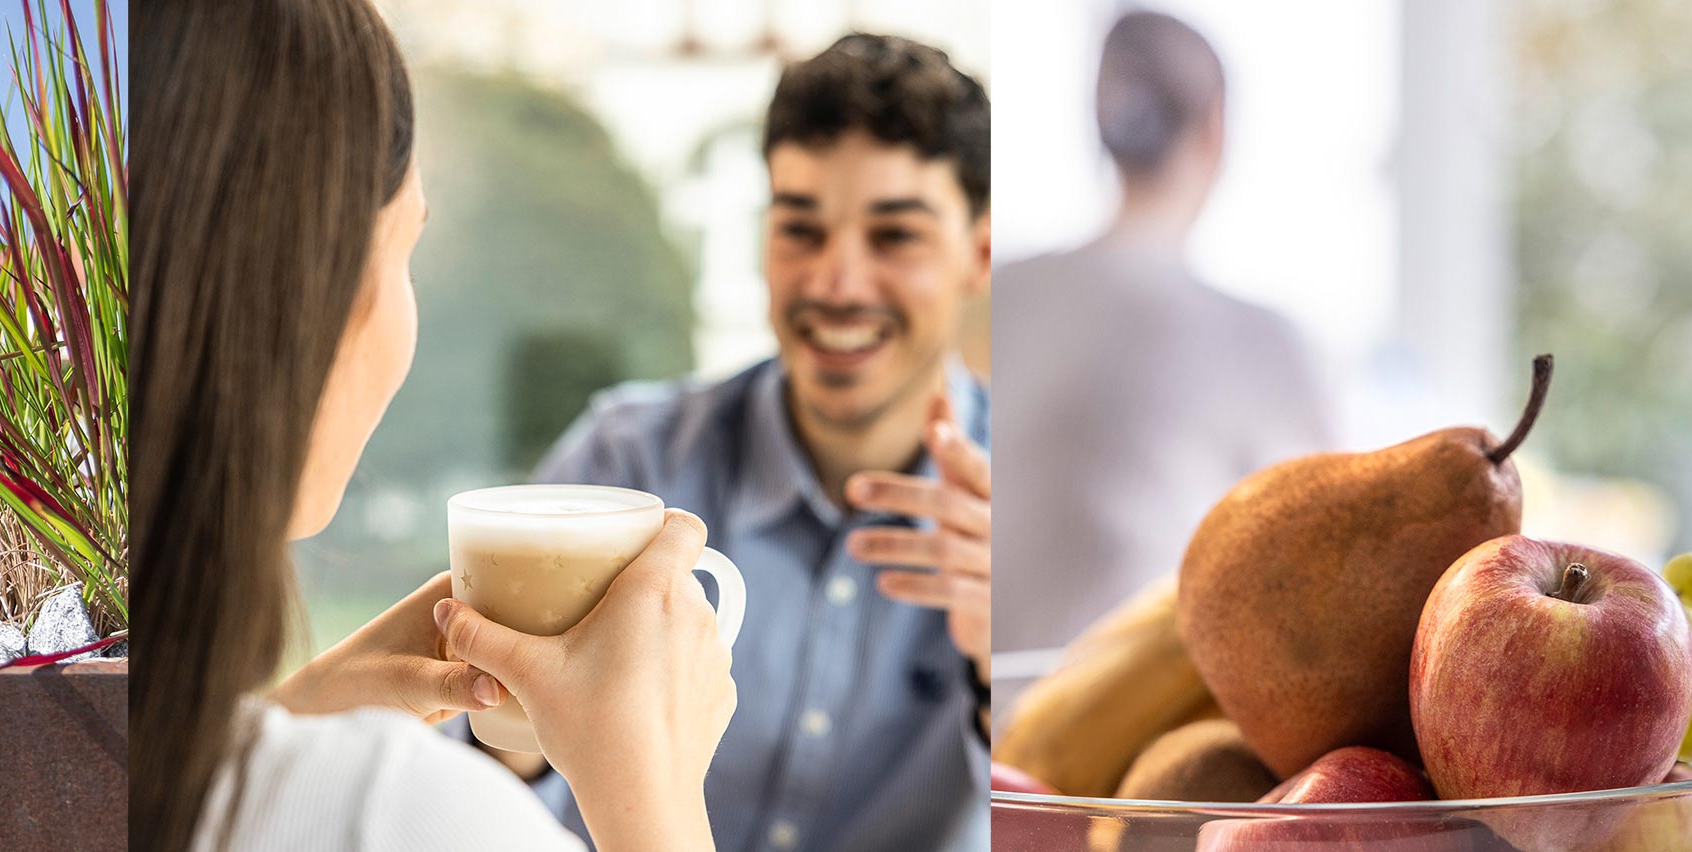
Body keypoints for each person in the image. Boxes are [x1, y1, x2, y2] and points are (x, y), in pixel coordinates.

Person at [131, 2, 737, 850]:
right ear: (324, 294)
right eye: (406, 247)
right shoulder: (404, 814)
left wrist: (276, 725)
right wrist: (656, 787)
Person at [456, 33, 995, 852]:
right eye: (799, 229)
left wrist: (1001, 673)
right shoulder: (625, 462)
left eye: (894, 237)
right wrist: (513, 711)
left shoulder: (1021, 506)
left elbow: (1071, 800)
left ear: (979, 254)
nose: (836, 283)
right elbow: (476, 797)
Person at [991, 11, 1333, 655]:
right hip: (1132, 731)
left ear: (1099, 124)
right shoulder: (1264, 346)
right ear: (1215, 130)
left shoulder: (995, 293)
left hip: (975, 714)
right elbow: (1324, 576)